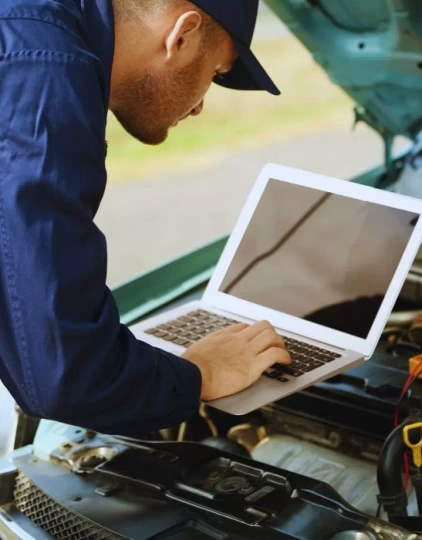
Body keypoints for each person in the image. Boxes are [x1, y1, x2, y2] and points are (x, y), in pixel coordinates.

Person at [0, 0, 291, 436]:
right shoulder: (46, 72)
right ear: (183, 35)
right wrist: (200, 376)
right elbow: (65, 373)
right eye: (214, 74)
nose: (199, 108)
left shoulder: (32, 25)